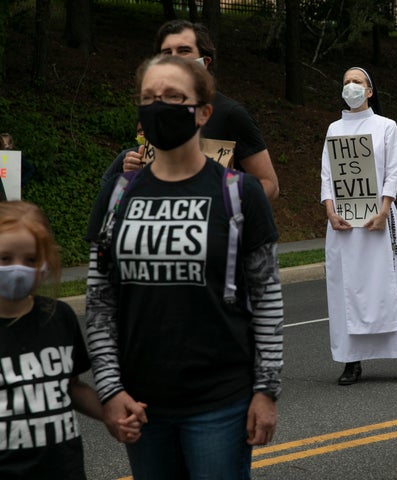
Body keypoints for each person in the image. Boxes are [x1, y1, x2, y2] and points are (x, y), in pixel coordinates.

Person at [85, 55, 283, 479]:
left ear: (204, 112)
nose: (160, 107)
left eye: (174, 97)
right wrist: (110, 389)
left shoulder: (240, 193)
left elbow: (267, 299)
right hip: (142, 405)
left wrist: (266, 391)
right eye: (149, 98)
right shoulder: (117, 194)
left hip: (221, 405)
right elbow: (100, 302)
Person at [0, 201, 142, 479]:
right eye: (5, 258)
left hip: (63, 470)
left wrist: (111, 414)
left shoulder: (59, 317)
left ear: (46, 262)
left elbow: (72, 386)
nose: (18, 269)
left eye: (30, 260)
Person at [321, 67, 397, 386]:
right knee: (345, 291)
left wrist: (385, 209)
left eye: (357, 82)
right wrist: (330, 211)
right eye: (346, 81)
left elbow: (393, 170)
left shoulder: (386, 127)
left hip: (378, 219)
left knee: (389, 286)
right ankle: (351, 362)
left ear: (369, 91)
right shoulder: (334, 129)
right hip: (344, 225)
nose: (350, 86)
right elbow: (326, 175)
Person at [116, 20, 279, 200]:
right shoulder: (153, 112)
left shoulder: (231, 114)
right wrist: (133, 170)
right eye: (166, 53)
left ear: (205, 62)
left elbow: (270, 184)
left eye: (184, 51)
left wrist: (230, 202)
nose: (175, 58)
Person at [100, 121, 144, 188]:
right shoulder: (127, 155)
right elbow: (106, 180)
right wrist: (126, 177)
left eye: (147, 129)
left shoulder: (164, 156)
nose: (142, 133)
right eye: (139, 131)